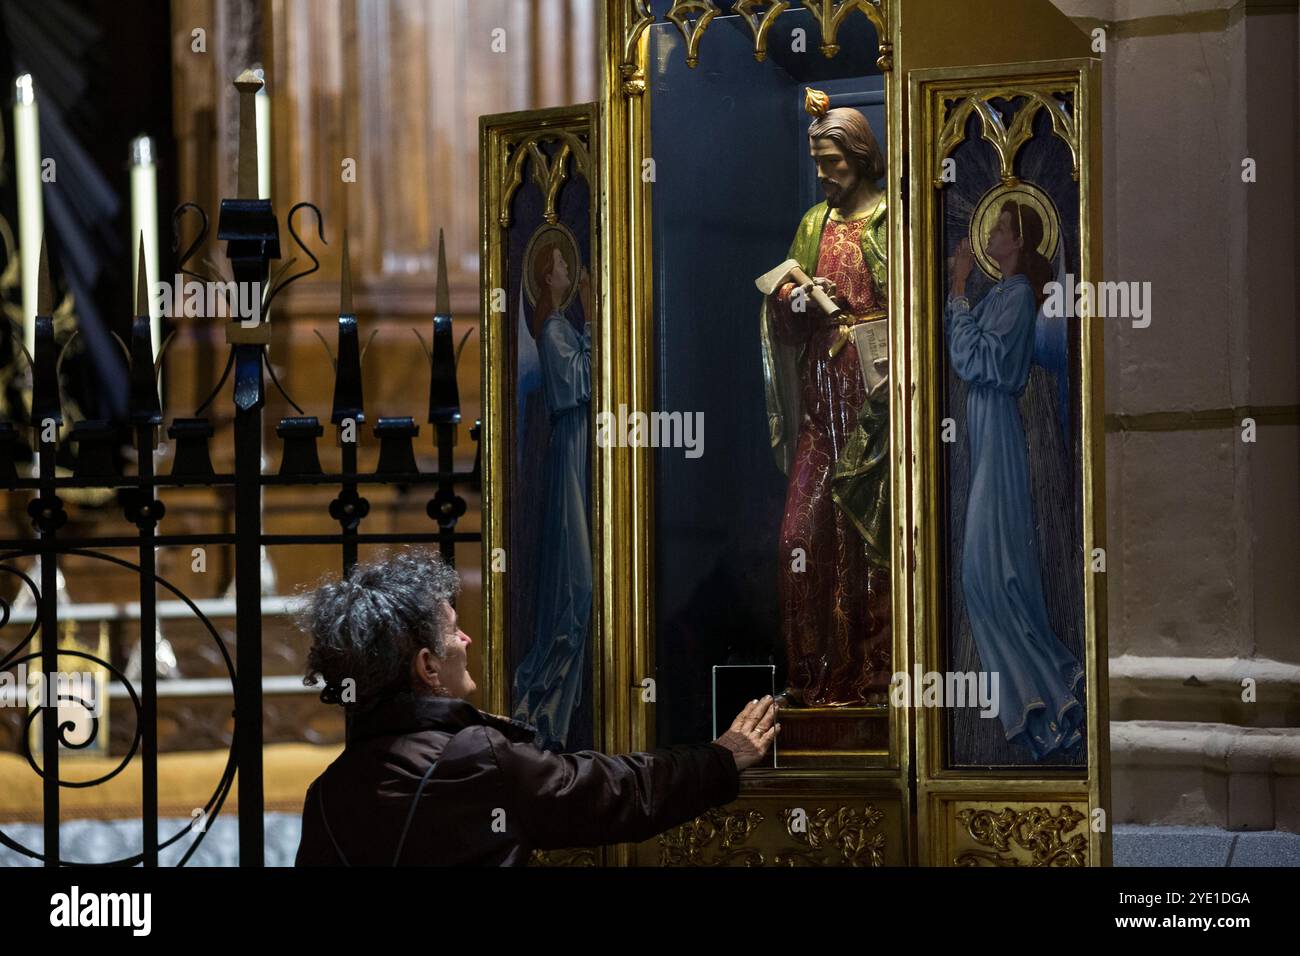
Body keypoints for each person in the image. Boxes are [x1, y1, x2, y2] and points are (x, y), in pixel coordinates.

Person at [294, 549, 778, 866]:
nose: (466, 639)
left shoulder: (326, 795)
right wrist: (722, 758)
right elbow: (614, 790)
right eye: (453, 631)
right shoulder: (472, 759)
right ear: (427, 666)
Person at [760, 88, 891, 706]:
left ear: (860, 157)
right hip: (820, 403)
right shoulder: (812, 224)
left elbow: (910, 307)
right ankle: (811, 678)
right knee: (799, 537)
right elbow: (782, 315)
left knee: (869, 538)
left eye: (832, 162)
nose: (822, 175)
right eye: (816, 162)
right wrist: (793, 300)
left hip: (877, 406)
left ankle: (874, 677)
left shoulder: (891, 217)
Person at [945, 202, 1084, 760]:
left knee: (990, 571)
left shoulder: (1021, 295)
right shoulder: (1004, 294)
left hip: (1000, 433)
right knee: (988, 572)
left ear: (1021, 239)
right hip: (986, 431)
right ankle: (1033, 700)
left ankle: (1050, 693)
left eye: (1002, 227)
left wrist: (956, 289)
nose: (992, 234)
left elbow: (986, 365)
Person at [511, 241, 593, 750]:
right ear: (546, 278)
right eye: (560, 265)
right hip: (572, 446)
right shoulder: (553, 326)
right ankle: (541, 700)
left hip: (583, 441)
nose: (566, 268)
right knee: (574, 584)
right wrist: (596, 322)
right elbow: (579, 384)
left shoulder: (562, 323)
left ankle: (561, 712)